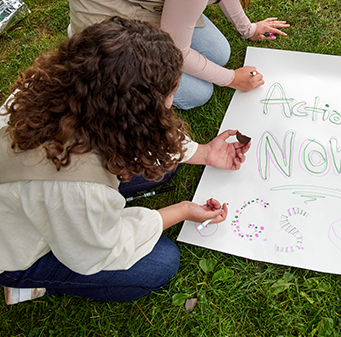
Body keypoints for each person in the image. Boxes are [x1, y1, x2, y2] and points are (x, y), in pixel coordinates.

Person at [0, 17, 251, 304]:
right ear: (136, 111)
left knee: (160, 166)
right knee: (159, 264)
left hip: (37, 198)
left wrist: (206, 153)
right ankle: (32, 284)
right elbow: (101, 250)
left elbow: (147, 139)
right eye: (169, 94)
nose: (171, 102)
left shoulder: (51, 88)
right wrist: (182, 211)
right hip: (17, 250)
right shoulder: (79, 190)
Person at [69, 0, 299, 110]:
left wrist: (247, 29)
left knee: (218, 52)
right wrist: (232, 79)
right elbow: (177, 52)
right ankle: (90, 48)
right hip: (104, 14)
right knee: (197, 93)